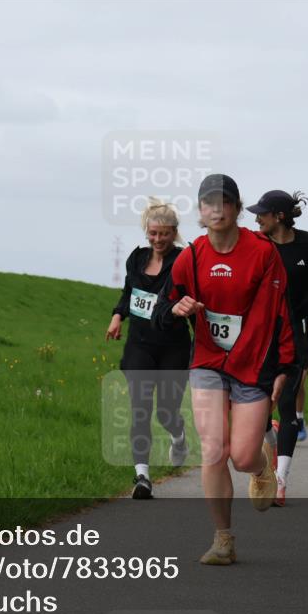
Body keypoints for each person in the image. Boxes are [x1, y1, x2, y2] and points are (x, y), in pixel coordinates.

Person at [153, 173, 295, 565]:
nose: (216, 209)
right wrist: (176, 309)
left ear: (235, 207)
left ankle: (262, 465)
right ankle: (223, 539)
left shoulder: (262, 252)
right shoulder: (192, 256)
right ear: (200, 212)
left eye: (224, 202)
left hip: (253, 364)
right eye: (207, 203)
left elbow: (281, 313)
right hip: (208, 361)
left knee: (242, 457)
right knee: (213, 448)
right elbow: (164, 306)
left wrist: (285, 365)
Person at [248, 188, 308, 504]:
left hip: (299, 332)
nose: (256, 217)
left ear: (280, 217)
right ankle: (271, 445)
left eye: (262, 212)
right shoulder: (255, 244)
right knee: (259, 409)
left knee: (287, 402)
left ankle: (280, 481)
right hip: (262, 333)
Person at [107, 198, 192, 499]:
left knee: (166, 411)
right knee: (140, 410)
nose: (158, 240)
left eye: (164, 234)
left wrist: (187, 308)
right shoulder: (137, 258)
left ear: (174, 232)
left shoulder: (184, 260)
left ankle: (178, 436)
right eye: (153, 233)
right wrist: (118, 316)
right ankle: (142, 477)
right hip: (140, 344)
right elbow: (130, 292)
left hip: (173, 346)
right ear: (147, 231)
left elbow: (194, 295)